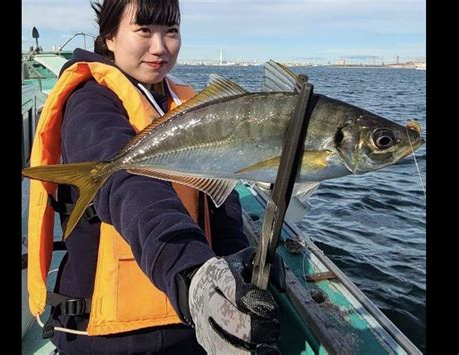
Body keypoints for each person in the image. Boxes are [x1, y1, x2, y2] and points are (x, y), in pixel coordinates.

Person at [26, 0, 285, 353]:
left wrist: (237, 267)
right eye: (144, 30)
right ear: (110, 38)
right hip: (110, 337)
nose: (160, 47)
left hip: (189, 324)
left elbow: (220, 201)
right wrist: (192, 276)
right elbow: (130, 189)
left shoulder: (183, 103)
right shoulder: (90, 103)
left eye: (171, 31)